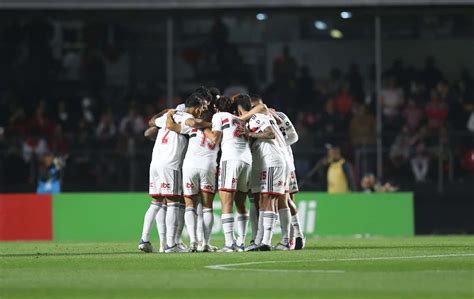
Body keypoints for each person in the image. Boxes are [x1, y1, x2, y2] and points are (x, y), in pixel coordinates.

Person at [138, 95, 207, 253]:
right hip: (171, 164)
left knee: (156, 203)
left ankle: (145, 239)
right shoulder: (189, 119)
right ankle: (171, 244)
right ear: (196, 107)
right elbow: (188, 125)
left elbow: (150, 124)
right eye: (202, 108)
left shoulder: (170, 115)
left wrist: (166, 112)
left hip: (155, 163)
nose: (202, 111)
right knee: (173, 203)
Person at [235, 95, 290, 251]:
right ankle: (260, 240)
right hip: (267, 163)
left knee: (269, 199)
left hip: (273, 161)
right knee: (263, 200)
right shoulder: (254, 118)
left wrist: (249, 134)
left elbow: (269, 133)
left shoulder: (256, 118)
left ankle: (266, 241)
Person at [165, 105, 219, 253]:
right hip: (208, 166)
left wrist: (169, 114)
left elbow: (170, 126)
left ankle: (193, 241)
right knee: (207, 207)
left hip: (189, 167)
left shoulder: (192, 128)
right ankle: (205, 243)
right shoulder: (218, 129)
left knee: (190, 205)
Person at [206, 96, 251, 252]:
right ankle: (241, 242)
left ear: (217, 108)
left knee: (227, 201)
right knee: (241, 204)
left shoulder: (219, 116)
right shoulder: (240, 119)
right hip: (247, 160)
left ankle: (229, 243)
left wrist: (204, 129)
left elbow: (215, 139)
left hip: (231, 159)